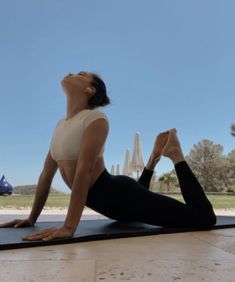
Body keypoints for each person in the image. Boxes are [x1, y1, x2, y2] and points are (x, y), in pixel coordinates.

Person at [0, 71, 216, 241]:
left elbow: (85, 170)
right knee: (130, 214)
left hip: (120, 195)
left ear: (89, 90)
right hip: (115, 207)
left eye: (81, 73)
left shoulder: (96, 119)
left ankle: (175, 154)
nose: (71, 72)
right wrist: (31, 218)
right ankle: (153, 159)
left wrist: (69, 227)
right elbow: (45, 176)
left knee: (204, 219)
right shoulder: (60, 126)